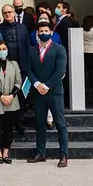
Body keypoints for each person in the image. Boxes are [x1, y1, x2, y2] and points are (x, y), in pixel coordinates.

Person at [27, 23, 68, 168]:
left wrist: (47, 85)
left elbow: (60, 70)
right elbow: (28, 69)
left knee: (60, 123)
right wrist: (37, 84)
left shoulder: (59, 49)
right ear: (37, 34)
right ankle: (40, 153)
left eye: (46, 30)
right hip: (38, 93)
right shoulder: (32, 50)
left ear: (51, 32)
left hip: (54, 92)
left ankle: (63, 155)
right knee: (39, 124)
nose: (43, 33)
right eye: (41, 31)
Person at [0, 4, 30, 79]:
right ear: (2, 15)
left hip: (22, 64)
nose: (7, 14)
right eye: (5, 13)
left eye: (9, 12)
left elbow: (27, 46)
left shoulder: (23, 28)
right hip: (4, 64)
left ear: (14, 13)